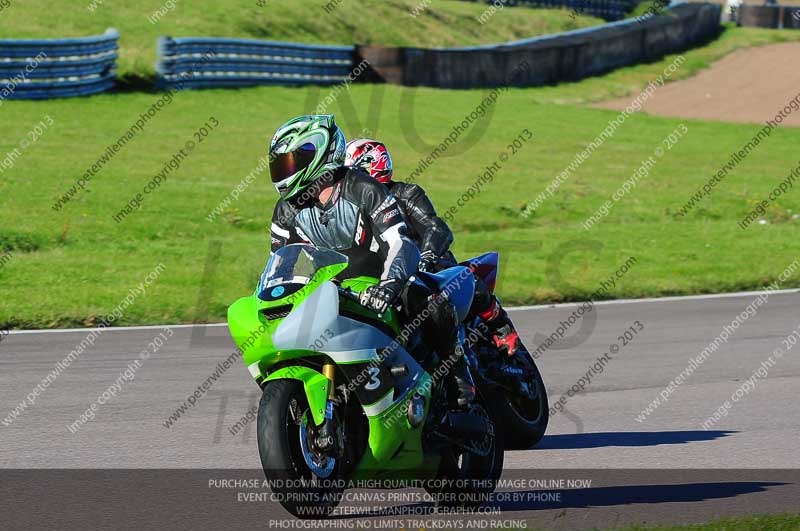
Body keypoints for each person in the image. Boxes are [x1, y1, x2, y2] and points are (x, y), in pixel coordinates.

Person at [267, 115, 475, 406]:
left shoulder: (362, 188)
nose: (282, 172)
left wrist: (389, 285)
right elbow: (283, 265)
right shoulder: (285, 211)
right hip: (338, 291)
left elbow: (399, 240)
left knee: (421, 293)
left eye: (290, 162)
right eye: (279, 164)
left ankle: (456, 374)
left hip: (383, 281)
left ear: (317, 156)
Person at [345, 138, 526, 357]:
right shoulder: (353, 209)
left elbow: (436, 229)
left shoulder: (406, 193)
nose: (352, 181)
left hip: (430, 266)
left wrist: (426, 256)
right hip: (393, 276)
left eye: (355, 173)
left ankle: (501, 327)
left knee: (462, 278)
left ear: (375, 166)